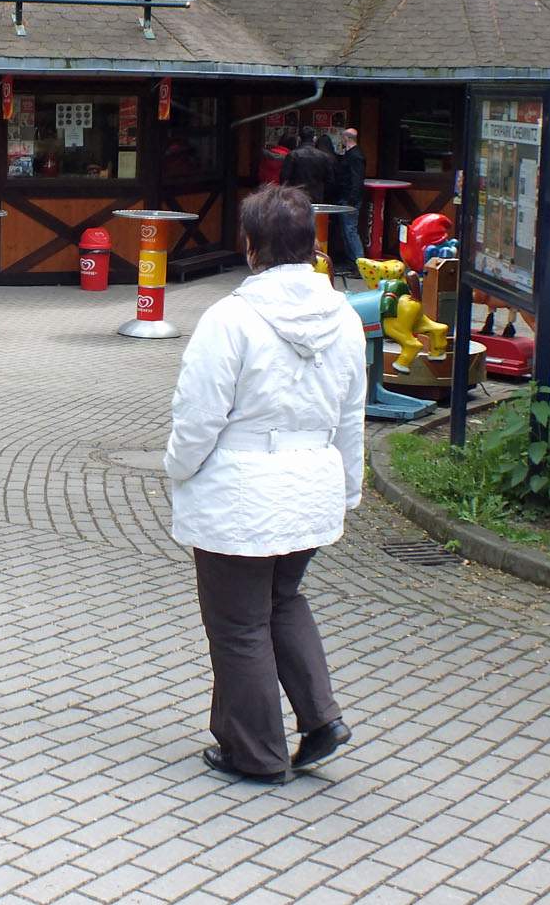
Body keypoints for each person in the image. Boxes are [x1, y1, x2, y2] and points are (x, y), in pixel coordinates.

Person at [164, 184, 365, 783]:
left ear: (251, 247)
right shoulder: (346, 318)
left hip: (242, 491)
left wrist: (177, 468)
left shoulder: (231, 318)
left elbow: (198, 416)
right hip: (312, 484)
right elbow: (351, 416)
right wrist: (348, 490)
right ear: (310, 243)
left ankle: (255, 753)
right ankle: (320, 719)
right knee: (282, 600)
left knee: (238, 623)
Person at [278, 126, 339, 204]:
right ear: (314, 138)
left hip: (296, 196)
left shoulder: (293, 155)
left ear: (299, 139)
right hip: (317, 196)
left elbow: (284, 178)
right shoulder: (324, 156)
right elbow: (330, 180)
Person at [334, 127, 367, 263]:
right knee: (347, 230)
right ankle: (354, 261)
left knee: (350, 231)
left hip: (349, 198)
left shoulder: (355, 156)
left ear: (346, 138)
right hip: (347, 197)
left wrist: (352, 199)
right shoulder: (352, 154)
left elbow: (357, 180)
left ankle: (360, 262)